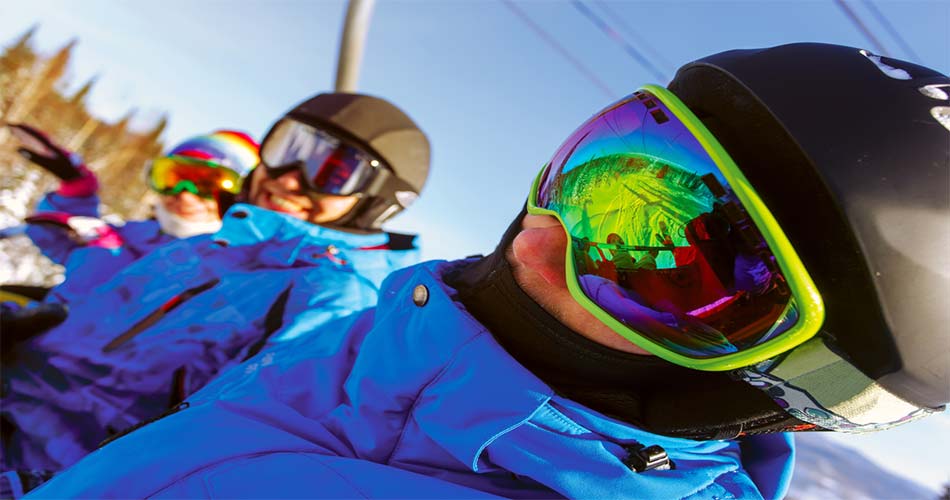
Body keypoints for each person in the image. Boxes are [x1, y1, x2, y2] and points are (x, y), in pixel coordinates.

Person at [28, 43, 949, 499]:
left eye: (664, 272)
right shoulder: (386, 341)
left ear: (808, 380)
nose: (543, 238)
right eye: (601, 174)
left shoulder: (330, 299)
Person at [0, 92, 430, 483]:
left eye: (333, 172)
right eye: (287, 149)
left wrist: (64, 485)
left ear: (379, 198)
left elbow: (239, 443)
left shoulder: (336, 298)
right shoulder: (220, 242)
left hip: (57, 464)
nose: (287, 178)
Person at [4, 125, 259, 305]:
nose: (185, 194)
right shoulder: (139, 234)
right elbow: (51, 237)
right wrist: (75, 189)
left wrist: (111, 254)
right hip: (47, 329)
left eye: (208, 185)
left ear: (239, 196)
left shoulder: (227, 264)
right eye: (175, 177)